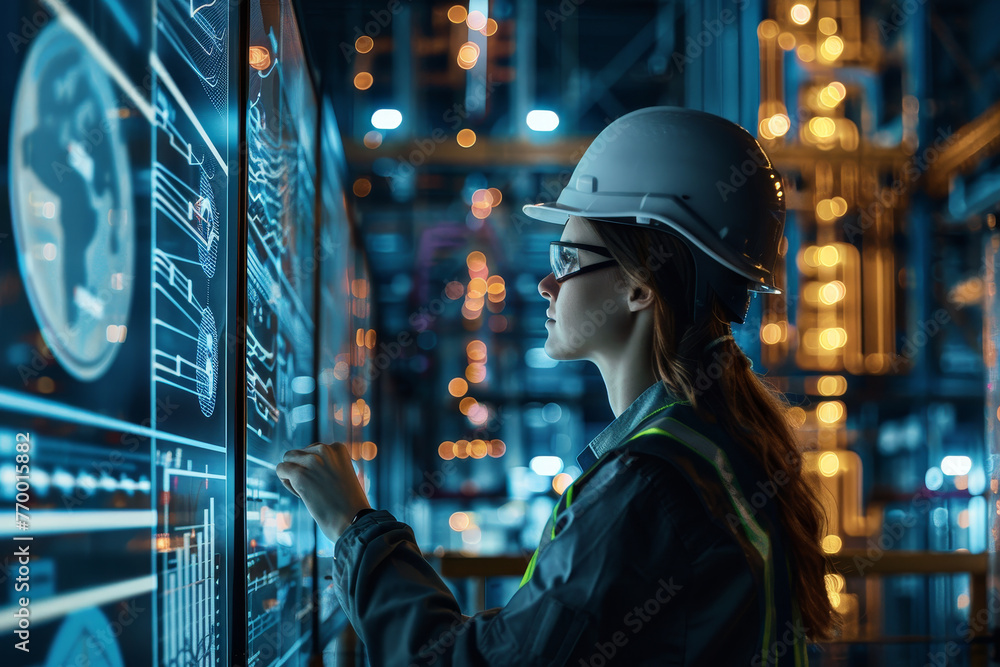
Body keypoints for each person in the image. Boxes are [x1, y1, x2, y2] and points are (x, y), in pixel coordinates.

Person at [276, 106, 842, 665]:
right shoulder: (720, 449)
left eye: (569, 258)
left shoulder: (648, 485)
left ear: (639, 285)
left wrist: (354, 526)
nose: (548, 282)